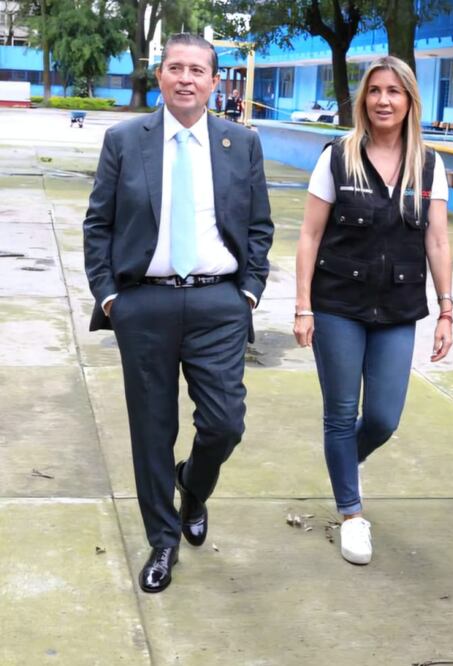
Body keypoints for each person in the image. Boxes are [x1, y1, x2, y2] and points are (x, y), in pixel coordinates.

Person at [83, 33, 274, 593]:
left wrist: (249, 293)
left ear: (216, 82)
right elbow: (99, 224)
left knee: (224, 423)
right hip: (144, 304)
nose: (186, 78)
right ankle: (163, 540)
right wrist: (110, 296)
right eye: (175, 68)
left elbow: (259, 226)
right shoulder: (124, 140)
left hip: (219, 303)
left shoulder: (242, 143)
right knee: (152, 429)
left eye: (198, 70)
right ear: (160, 76)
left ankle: (193, 485)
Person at [292, 56, 453, 565]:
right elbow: (310, 235)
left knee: (382, 417)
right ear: (364, 99)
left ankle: (344, 463)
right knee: (341, 413)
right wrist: (302, 306)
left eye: (395, 92)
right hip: (337, 302)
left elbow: (439, 239)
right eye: (375, 91)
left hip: (399, 307)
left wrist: (447, 309)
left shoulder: (427, 164)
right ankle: (351, 513)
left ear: (409, 101)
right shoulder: (338, 156)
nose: (384, 100)